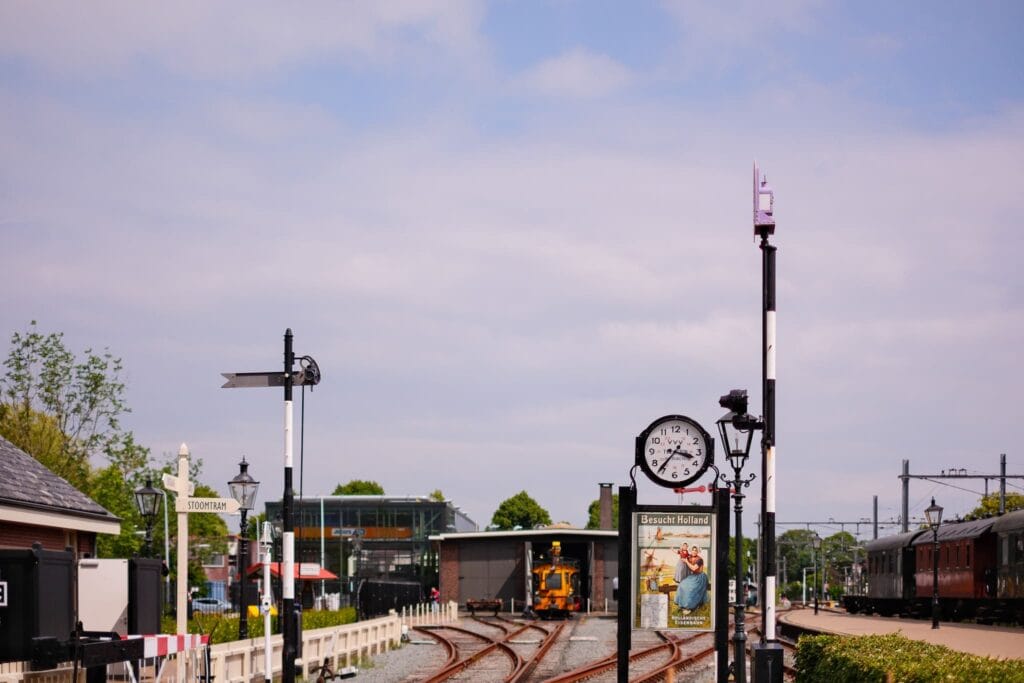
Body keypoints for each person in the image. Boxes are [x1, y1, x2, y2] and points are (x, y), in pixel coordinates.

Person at [675, 546, 709, 612]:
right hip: (693, 576)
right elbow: (682, 556)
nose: (694, 551)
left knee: (691, 588)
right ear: (691, 551)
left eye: (695, 550)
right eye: (693, 550)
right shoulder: (690, 557)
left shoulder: (699, 560)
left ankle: (689, 606)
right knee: (682, 584)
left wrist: (686, 561)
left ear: (698, 551)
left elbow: (693, 568)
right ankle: (683, 605)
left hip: (700, 577)